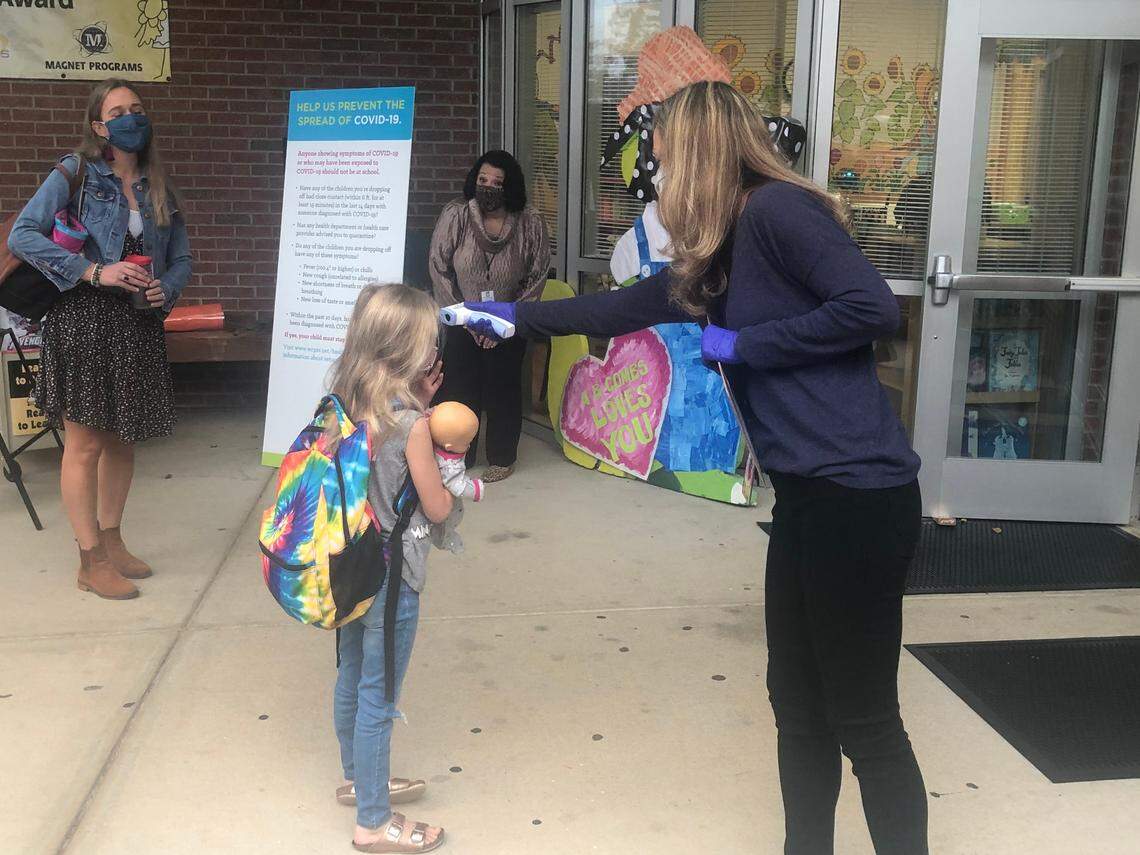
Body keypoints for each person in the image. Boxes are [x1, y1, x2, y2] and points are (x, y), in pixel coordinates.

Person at [459, 81, 928, 855]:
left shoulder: (779, 213)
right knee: (797, 706)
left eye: (667, 158)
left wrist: (746, 346)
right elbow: (618, 309)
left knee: (865, 719)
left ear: (703, 155)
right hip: (808, 499)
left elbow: (872, 307)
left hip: (861, 494)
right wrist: (510, 317)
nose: (657, 173)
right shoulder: (718, 256)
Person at [8, 78, 192, 601]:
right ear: (98, 125)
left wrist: (166, 290)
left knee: (122, 439)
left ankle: (112, 541)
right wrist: (92, 271)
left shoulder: (159, 185)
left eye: (137, 108)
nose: (130, 116)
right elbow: (24, 232)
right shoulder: (77, 173)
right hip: (84, 320)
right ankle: (89, 559)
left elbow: (182, 257)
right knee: (85, 443)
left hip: (135, 324)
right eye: (117, 110)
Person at [326, 283, 450, 853]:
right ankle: (373, 822)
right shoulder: (412, 426)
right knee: (382, 694)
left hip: (349, 567)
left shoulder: (344, 402)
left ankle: (358, 778)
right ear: (409, 353)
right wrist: (435, 431)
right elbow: (440, 504)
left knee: (352, 671)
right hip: (394, 578)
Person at [427, 150, 550, 483]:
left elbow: (537, 275)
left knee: (504, 390)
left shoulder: (530, 222)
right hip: (462, 323)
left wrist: (506, 322)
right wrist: (463, 319)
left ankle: (502, 455)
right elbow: (439, 267)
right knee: (458, 389)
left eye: (497, 182)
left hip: (508, 325)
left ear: (510, 186)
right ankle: (456, 455)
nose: (489, 187)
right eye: (483, 180)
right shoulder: (456, 216)